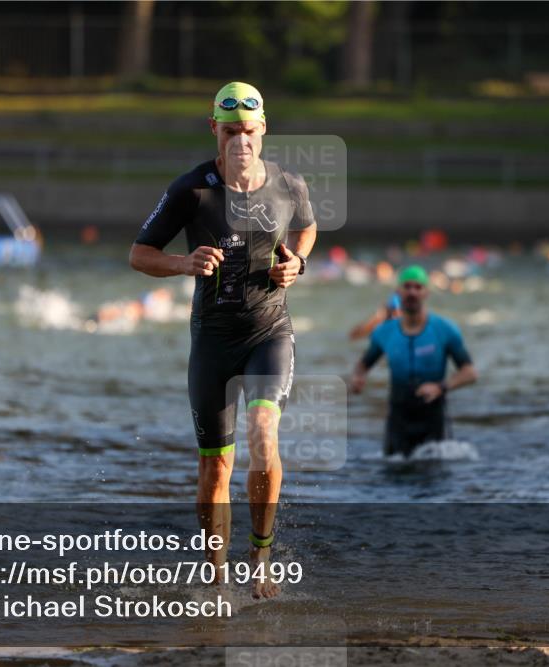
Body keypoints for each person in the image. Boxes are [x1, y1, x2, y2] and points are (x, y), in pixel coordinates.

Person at [129, 82, 317, 598]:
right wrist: (182, 263)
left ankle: (261, 555)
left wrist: (297, 263)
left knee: (262, 429)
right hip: (211, 341)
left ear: (264, 129)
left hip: (268, 332)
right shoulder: (190, 190)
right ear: (214, 129)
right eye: (230, 131)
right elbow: (139, 253)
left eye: (250, 131)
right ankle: (215, 578)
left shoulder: (287, 184)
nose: (242, 141)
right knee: (215, 469)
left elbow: (307, 229)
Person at [350, 265, 477, 457]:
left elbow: (470, 373)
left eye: (418, 287)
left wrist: (441, 387)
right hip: (398, 417)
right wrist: (358, 378)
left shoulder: (445, 329)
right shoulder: (384, 332)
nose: (412, 292)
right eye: (407, 286)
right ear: (398, 292)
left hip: (433, 417)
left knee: (433, 475)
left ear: (426, 292)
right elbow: (363, 365)